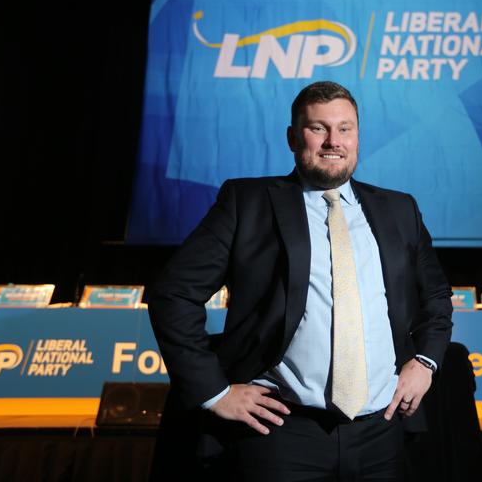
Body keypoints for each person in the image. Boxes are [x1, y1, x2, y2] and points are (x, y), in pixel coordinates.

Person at [148, 81, 453, 481]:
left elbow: (435, 297)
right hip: (280, 434)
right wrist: (214, 392)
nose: (334, 142)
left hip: (382, 431)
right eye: (318, 128)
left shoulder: (399, 209)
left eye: (345, 128)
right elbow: (173, 294)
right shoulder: (247, 202)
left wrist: (426, 362)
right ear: (293, 137)